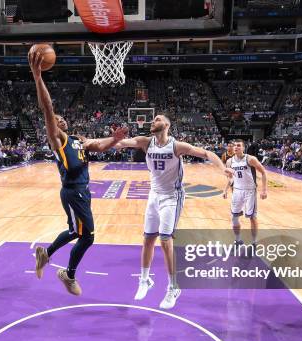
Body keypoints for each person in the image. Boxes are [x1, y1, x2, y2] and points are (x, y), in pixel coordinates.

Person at [29, 50, 127, 296]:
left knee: (76, 231)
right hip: (73, 192)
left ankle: (46, 254)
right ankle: (68, 274)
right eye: (56, 119)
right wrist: (38, 76)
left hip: (83, 192)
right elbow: (48, 107)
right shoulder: (58, 139)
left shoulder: (78, 140)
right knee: (88, 236)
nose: (59, 119)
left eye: (62, 118)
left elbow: (99, 145)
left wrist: (114, 140)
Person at [116, 115, 233, 309]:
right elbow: (120, 144)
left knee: (165, 239)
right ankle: (144, 280)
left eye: (157, 119)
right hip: (154, 195)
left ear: (167, 125)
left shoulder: (176, 146)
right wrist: (94, 142)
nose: (153, 121)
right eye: (152, 120)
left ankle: (173, 287)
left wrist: (222, 169)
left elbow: (206, 153)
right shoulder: (146, 142)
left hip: (172, 196)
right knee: (147, 239)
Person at [223, 139, 268, 245]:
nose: (236, 147)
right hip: (237, 191)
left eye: (238, 145)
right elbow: (230, 178)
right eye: (234, 145)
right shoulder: (229, 162)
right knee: (234, 217)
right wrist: (225, 190)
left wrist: (264, 190)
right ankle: (238, 240)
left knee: (252, 217)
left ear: (243, 148)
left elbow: (263, 172)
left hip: (250, 191)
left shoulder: (250, 159)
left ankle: (254, 242)